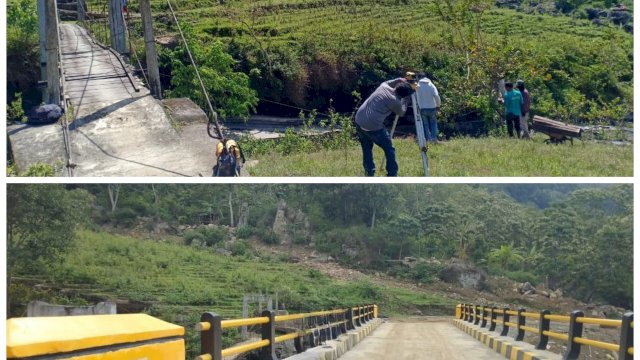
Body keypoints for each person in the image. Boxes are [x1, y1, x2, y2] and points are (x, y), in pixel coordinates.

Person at [354, 80, 414, 176]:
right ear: (404, 95)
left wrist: (404, 79)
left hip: (359, 120)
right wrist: (407, 99)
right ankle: (392, 173)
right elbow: (401, 112)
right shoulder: (396, 102)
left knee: (366, 148)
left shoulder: (383, 86)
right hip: (373, 126)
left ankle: (369, 172)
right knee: (389, 149)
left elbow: (393, 81)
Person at [416, 73, 441, 142]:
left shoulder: (417, 86)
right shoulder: (431, 85)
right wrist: (438, 105)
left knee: (425, 125)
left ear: (419, 78)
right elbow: (436, 96)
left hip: (422, 108)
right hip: (432, 107)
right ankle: (434, 139)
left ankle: (428, 139)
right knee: (433, 123)